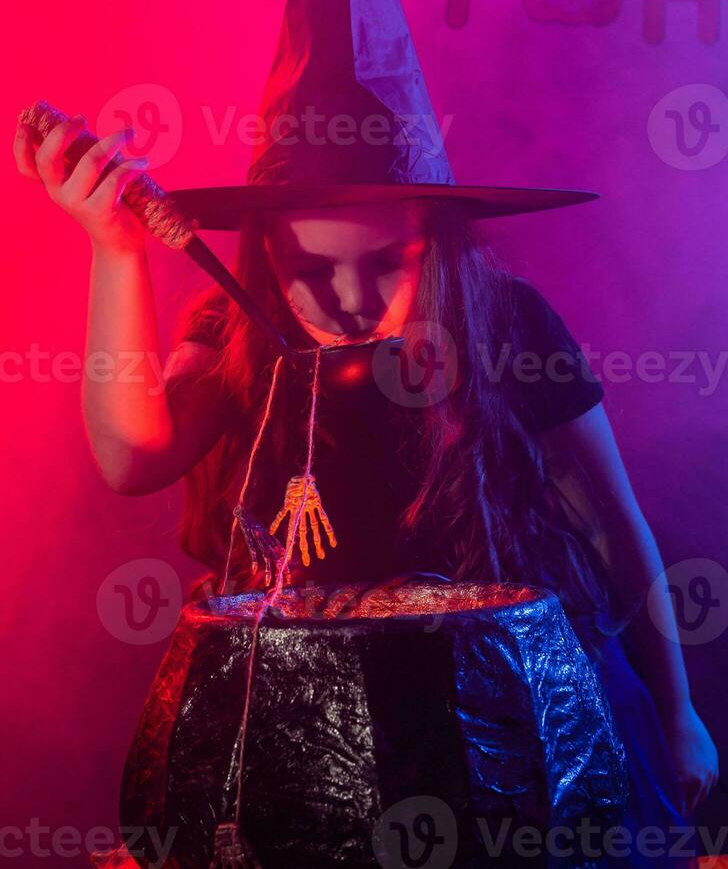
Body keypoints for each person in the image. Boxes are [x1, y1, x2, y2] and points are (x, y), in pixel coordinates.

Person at [13, 113, 720, 868]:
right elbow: (131, 460)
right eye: (310, 271)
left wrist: (677, 712)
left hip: (512, 732)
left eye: (388, 261)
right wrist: (115, 251)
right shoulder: (235, 333)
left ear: (438, 245)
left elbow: (617, 527)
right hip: (293, 744)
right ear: (264, 260)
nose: (349, 300)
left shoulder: (507, 326)